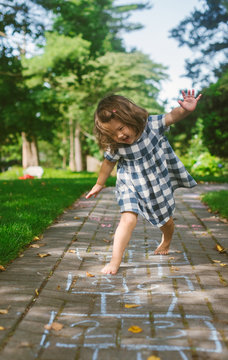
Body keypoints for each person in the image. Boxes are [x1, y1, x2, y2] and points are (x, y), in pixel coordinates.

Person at [86, 90, 202, 275]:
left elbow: (172, 115)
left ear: (131, 117)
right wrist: (100, 183)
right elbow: (108, 163)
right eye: (113, 133)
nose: (120, 136)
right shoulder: (116, 146)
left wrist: (186, 110)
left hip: (156, 183)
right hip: (130, 184)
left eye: (122, 128)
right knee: (128, 219)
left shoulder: (152, 125)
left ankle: (167, 238)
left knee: (166, 221)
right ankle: (115, 261)